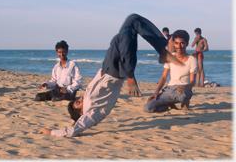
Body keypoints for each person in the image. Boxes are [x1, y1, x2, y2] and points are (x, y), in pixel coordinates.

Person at [38, 13, 184, 137]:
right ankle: (131, 77)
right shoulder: (93, 113)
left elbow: (75, 121)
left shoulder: (87, 102)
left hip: (109, 66)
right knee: (125, 34)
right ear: (82, 112)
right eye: (78, 102)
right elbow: (75, 129)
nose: (80, 97)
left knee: (132, 20)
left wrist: (73, 118)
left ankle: (162, 51)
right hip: (116, 71)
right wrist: (51, 132)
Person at [144, 30, 197, 113]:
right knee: (147, 108)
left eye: (182, 43)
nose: (179, 46)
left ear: (187, 43)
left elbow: (193, 81)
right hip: (169, 89)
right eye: (176, 43)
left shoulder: (192, 60)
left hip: (183, 90)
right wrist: (156, 92)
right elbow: (164, 77)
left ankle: (183, 103)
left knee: (183, 96)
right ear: (173, 43)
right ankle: (168, 105)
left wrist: (186, 87)